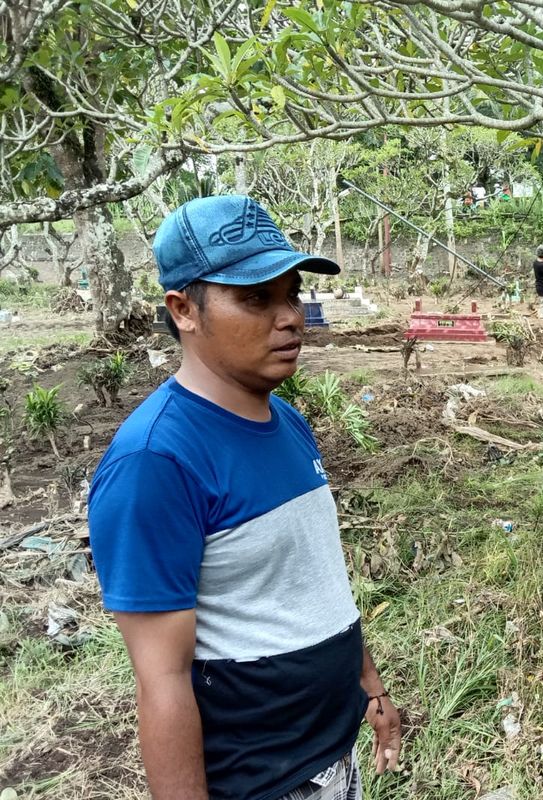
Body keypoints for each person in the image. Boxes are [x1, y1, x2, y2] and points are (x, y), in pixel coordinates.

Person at [88, 195, 404, 800]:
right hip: (260, 783)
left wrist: (369, 685)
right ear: (183, 309)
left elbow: (317, 580)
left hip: (331, 760)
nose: (290, 317)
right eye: (256, 298)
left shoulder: (287, 423)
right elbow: (162, 680)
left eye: (291, 294)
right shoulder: (156, 463)